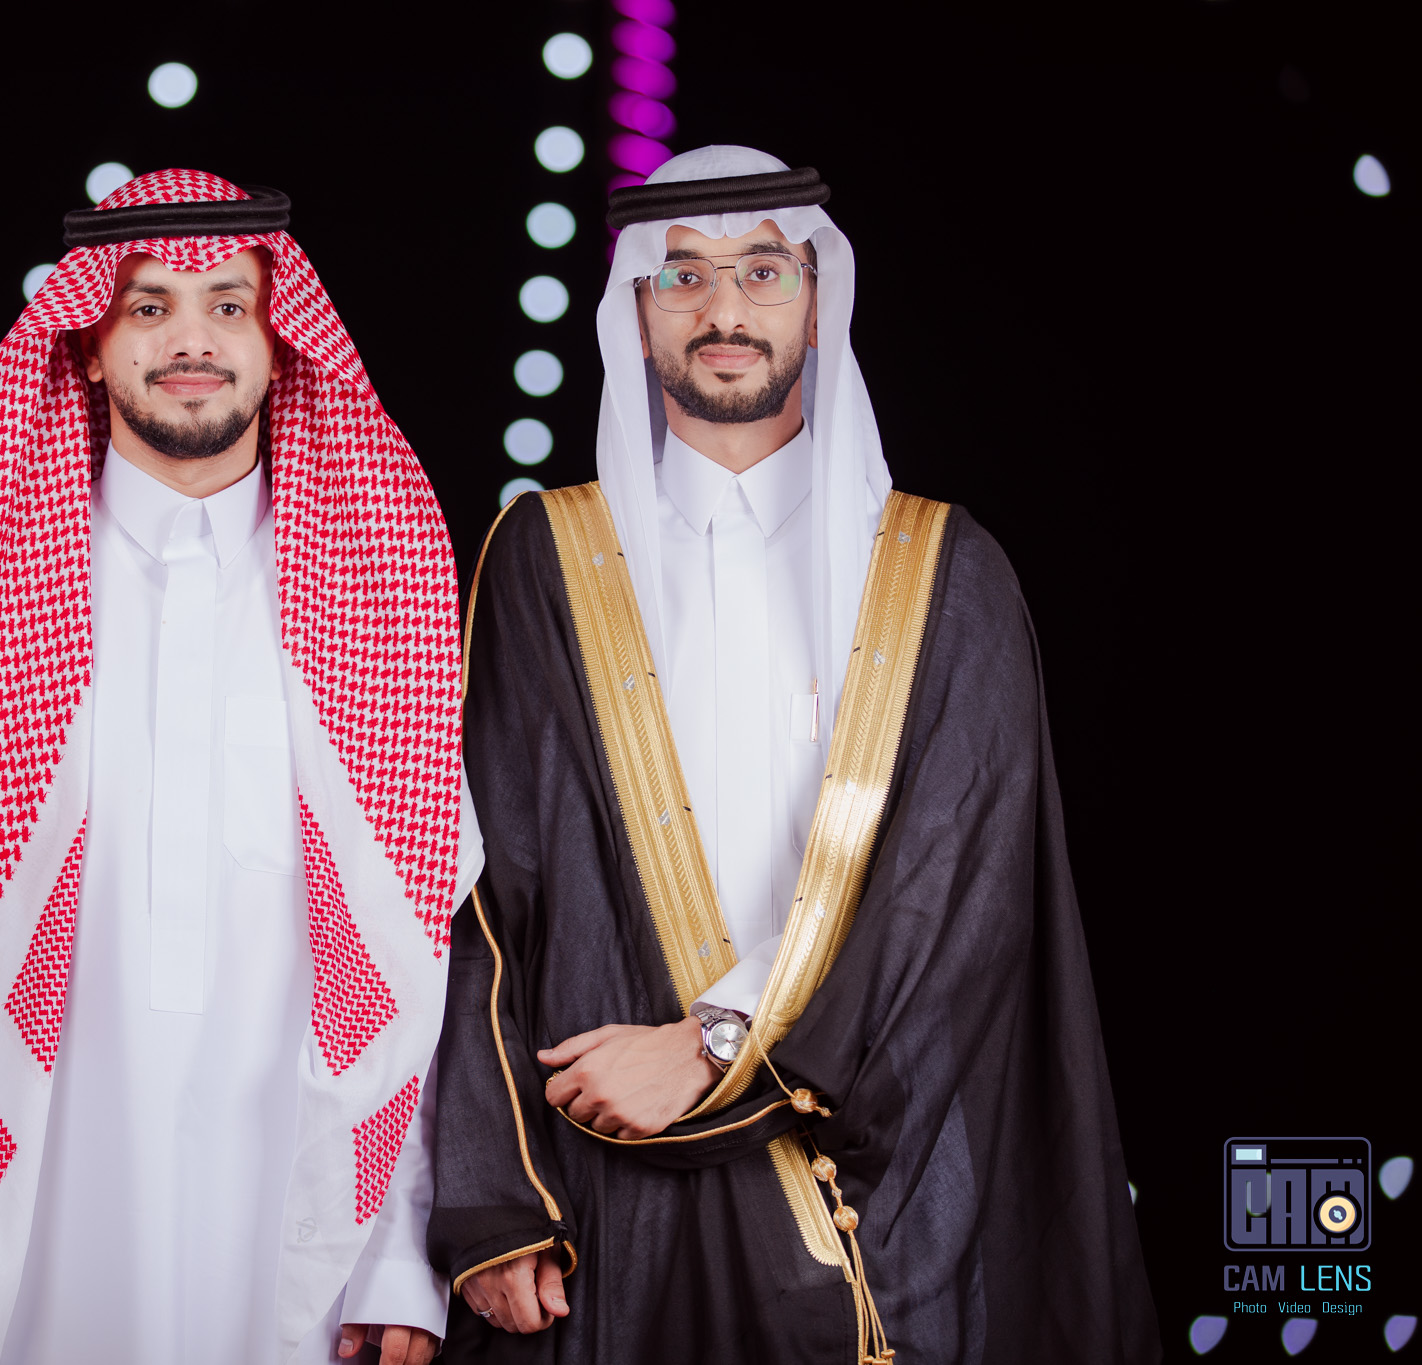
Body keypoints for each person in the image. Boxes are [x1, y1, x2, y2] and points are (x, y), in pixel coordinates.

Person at [429, 146, 1158, 1362]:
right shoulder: (543, 561)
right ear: (634, 312)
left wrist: (711, 1043)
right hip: (604, 1196)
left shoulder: (941, 572)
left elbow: (957, 903)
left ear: (818, 303)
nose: (723, 309)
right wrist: (495, 1199)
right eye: (683, 276)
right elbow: (482, 896)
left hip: (870, 1193)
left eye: (762, 271)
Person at [0, 169, 481, 1365]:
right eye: (148, 306)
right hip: (26, 1222)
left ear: (281, 347)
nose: (191, 339)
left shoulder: (383, 602)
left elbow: (419, 959)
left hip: (301, 1238)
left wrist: (401, 1253)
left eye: (229, 305)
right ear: (85, 346)